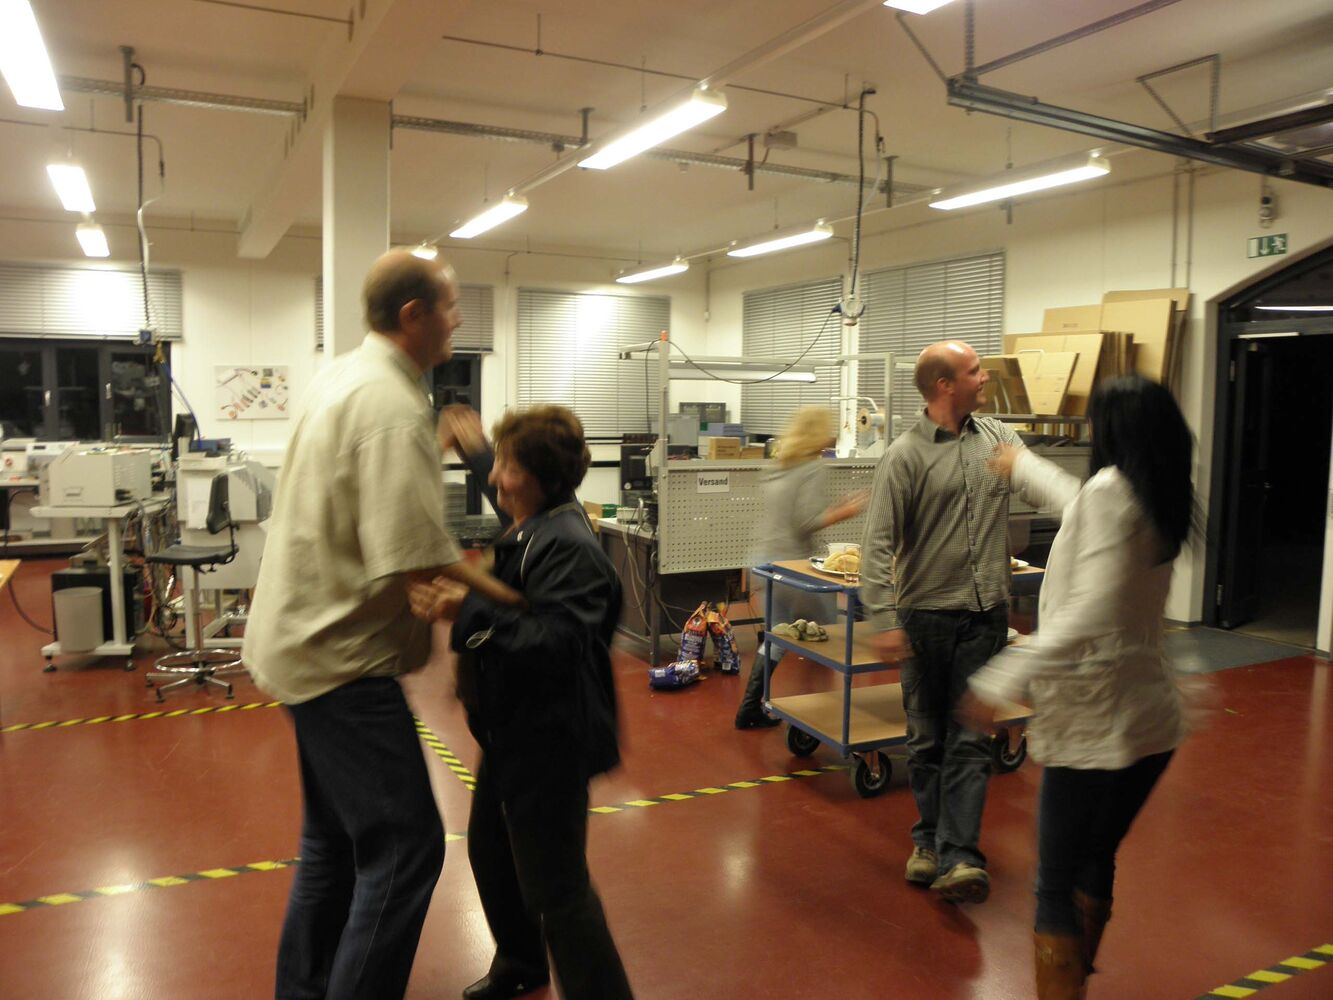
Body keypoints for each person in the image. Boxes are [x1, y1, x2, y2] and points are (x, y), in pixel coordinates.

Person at [243, 251, 520, 1000]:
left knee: (334, 842)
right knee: (407, 848)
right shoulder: (393, 406)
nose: (459, 319)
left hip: (294, 645)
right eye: (451, 306)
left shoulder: (346, 376)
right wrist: (520, 598)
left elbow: (370, 494)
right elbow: (417, 559)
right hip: (340, 661)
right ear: (413, 316)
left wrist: (431, 450)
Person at [960, 374, 1195, 998]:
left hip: (1095, 716)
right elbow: (1082, 503)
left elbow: (1089, 607)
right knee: (1095, 857)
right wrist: (1022, 465)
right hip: (1151, 718)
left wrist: (1001, 676)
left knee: (1055, 882)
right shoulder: (1159, 492)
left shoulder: (1111, 491)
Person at [409, 404, 634, 1000]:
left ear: (537, 478)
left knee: (558, 888)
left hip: (551, 738)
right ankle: (522, 962)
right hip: (514, 732)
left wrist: (466, 610)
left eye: (506, 467)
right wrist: (478, 450)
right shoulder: (536, 517)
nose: (495, 479)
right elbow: (508, 486)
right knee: (491, 850)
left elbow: (556, 641)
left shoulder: (570, 548)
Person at [859, 340, 1059, 904]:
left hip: (985, 616)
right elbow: (877, 543)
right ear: (944, 385)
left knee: (971, 739)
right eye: (974, 370)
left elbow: (1040, 484)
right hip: (925, 618)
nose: (985, 376)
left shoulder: (998, 438)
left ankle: (960, 857)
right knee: (926, 741)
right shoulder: (904, 456)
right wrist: (884, 618)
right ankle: (928, 841)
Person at [734, 405, 867, 729]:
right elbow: (805, 522)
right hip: (794, 567)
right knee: (828, 636)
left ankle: (750, 708)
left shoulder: (779, 464)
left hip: (765, 562)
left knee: (778, 634)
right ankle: (817, 719)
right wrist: (844, 511)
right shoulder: (812, 468)